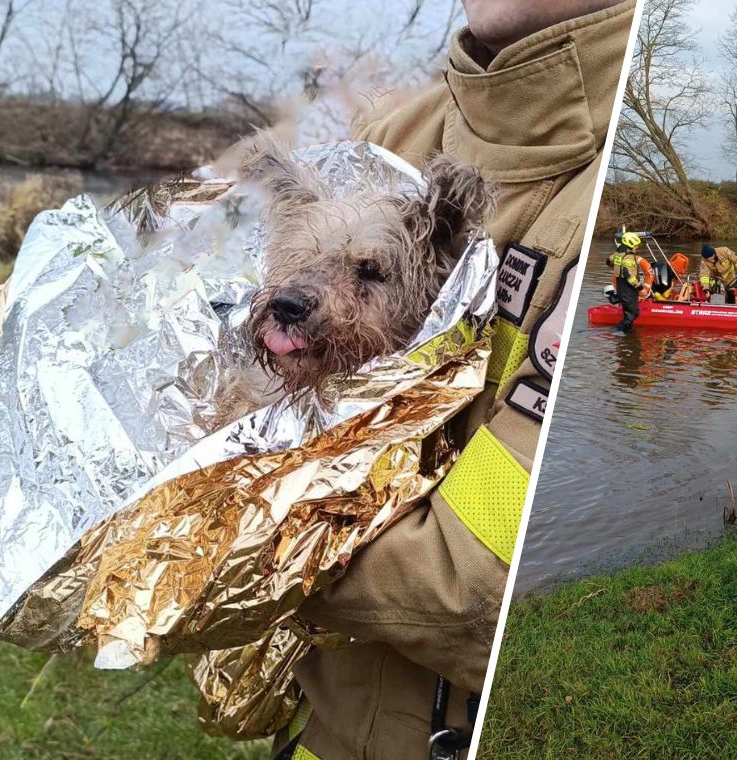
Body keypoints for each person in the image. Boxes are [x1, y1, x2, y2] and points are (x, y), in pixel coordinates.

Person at [271, 2, 635, 759]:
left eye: (369, 273)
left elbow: (472, 586)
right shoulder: (394, 136)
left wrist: (212, 512)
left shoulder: (593, 192)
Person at [606, 230, 650, 334]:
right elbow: (629, 276)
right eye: (636, 245)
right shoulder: (629, 258)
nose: (637, 247)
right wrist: (640, 288)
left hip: (623, 287)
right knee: (630, 316)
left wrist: (616, 266)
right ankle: (616, 332)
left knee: (635, 313)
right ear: (630, 245)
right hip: (628, 290)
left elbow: (608, 260)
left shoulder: (618, 254)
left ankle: (628, 331)